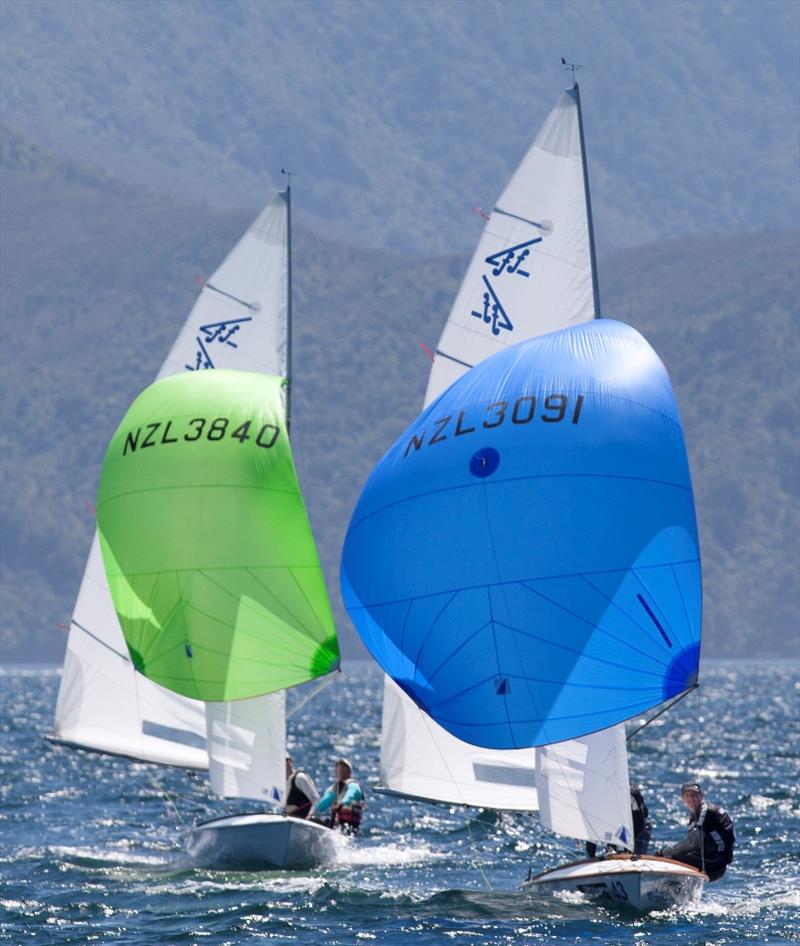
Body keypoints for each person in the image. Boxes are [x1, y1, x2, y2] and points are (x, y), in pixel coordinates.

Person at [657, 781, 735, 881]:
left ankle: (668, 893)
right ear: (683, 798)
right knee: (677, 856)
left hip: (714, 863)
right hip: (710, 859)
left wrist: (664, 852)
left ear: (701, 796)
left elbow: (693, 842)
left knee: (669, 859)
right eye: (687, 795)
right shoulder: (697, 812)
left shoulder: (706, 812)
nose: (691, 798)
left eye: (694, 795)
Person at [586, 783, 652, 858]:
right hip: (616, 826)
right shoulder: (600, 802)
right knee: (612, 856)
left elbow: (641, 821)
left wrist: (628, 846)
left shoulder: (630, 795)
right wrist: (591, 857)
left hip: (639, 826)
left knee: (634, 857)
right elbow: (592, 833)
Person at [311, 757, 364, 834]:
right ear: (336, 772)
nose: (341, 772)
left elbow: (350, 795)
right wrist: (312, 812)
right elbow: (322, 805)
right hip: (337, 826)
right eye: (339, 769)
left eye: (344, 769)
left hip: (349, 827)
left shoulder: (354, 786)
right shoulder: (335, 789)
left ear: (349, 772)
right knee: (312, 820)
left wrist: (341, 803)